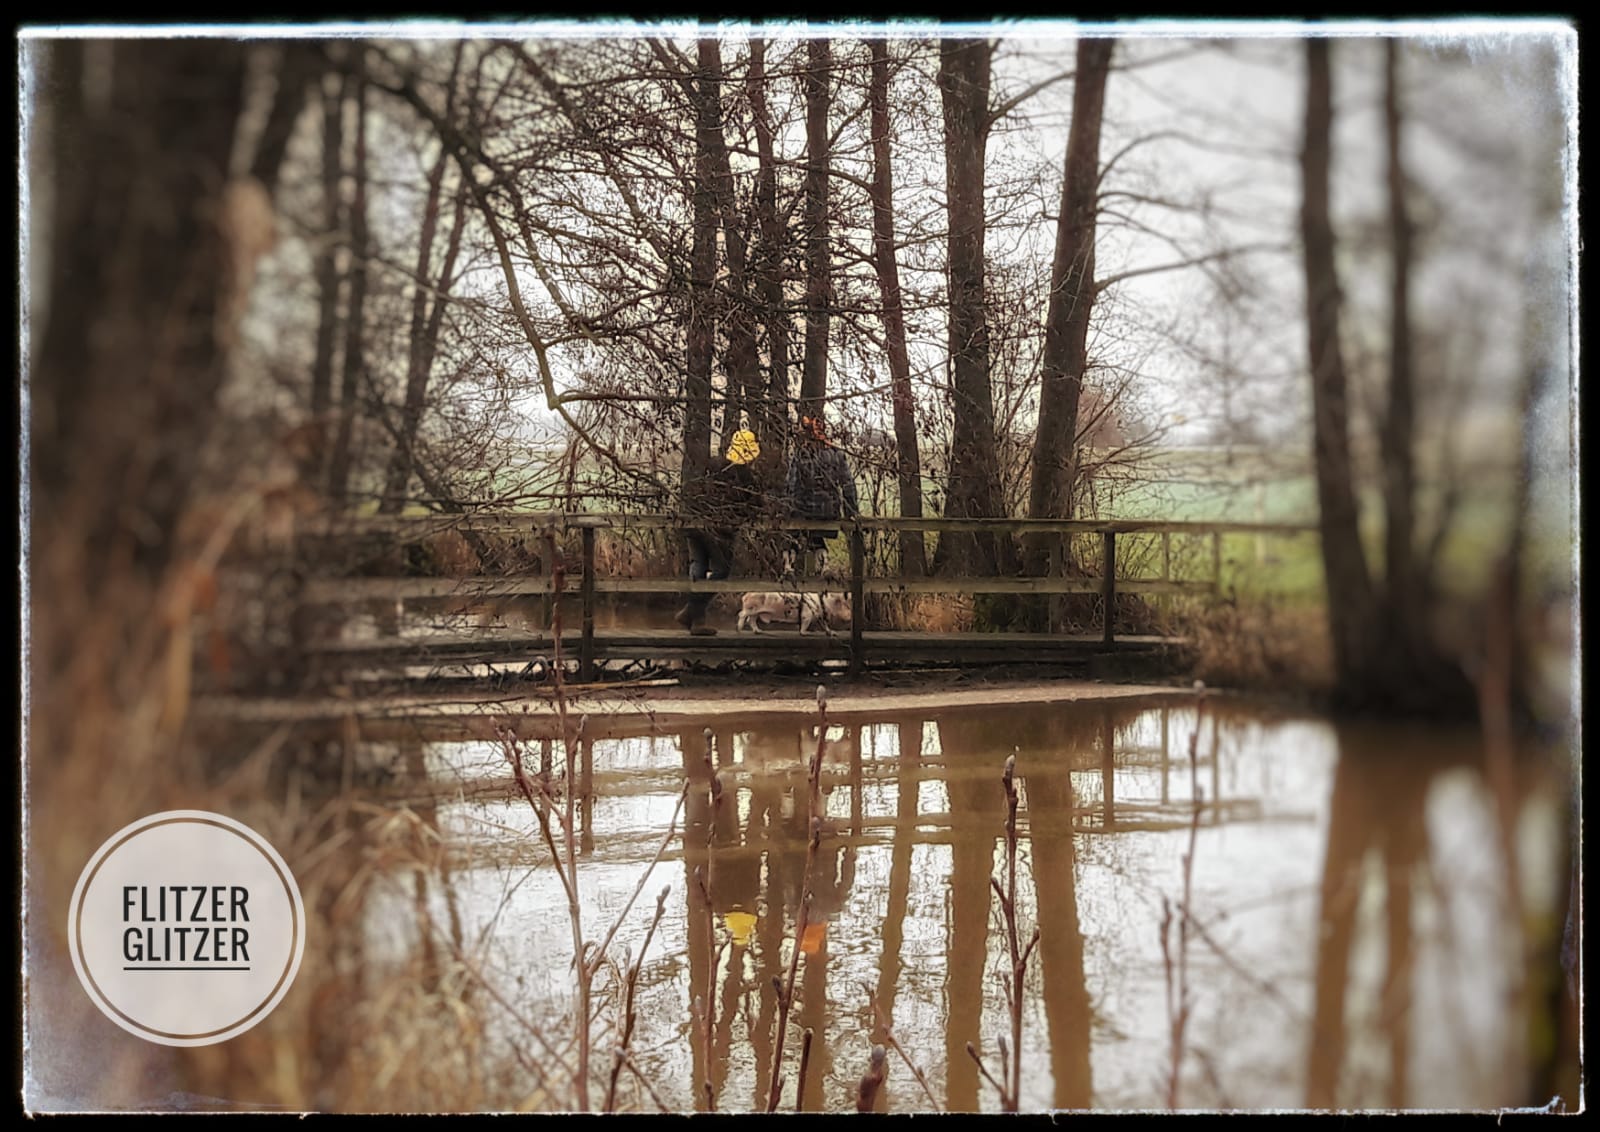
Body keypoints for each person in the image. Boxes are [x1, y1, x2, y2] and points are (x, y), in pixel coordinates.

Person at [676, 428, 762, 635]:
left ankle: (696, 620)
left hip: (693, 523)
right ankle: (691, 613)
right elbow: (755, 507)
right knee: (721, 570)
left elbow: (692, 491)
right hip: (718, 532)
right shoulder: (745, 477)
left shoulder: (712, 465)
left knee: (698, 567)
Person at [785, 415, 859, 574]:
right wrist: (851, 512)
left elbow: (791, 484)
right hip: (828, 510)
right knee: (816, 538)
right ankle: (823, 566)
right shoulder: (837, 454)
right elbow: (848, 484)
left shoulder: (801, 455)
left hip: (803, 509)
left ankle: (789, 564)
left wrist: (789, 510)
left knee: (793, 536)